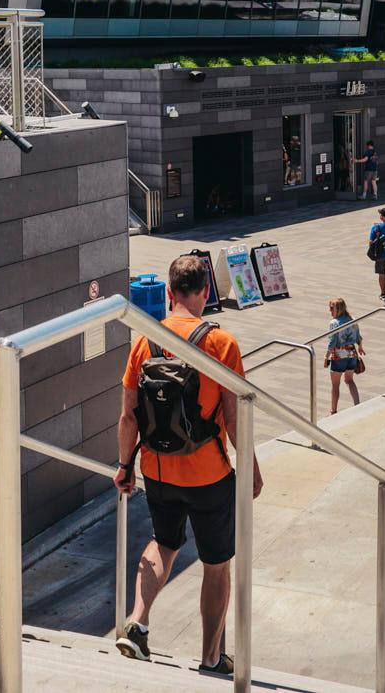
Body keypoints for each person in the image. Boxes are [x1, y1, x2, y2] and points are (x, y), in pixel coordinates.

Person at [115, 255, 263, 675]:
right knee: (216, 565)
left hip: (157, 468)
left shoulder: (144, 341)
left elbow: (128, 415)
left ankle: (138, 624)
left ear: (168, 292)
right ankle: (211, 658)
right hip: (209, 473)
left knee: (163, 543)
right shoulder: (223, 344)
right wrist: (250, 466)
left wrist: (125, 465)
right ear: (205, 293)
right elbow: (233, 418)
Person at [324, 297, 365, 413]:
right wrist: (360, 347)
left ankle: (333, 410)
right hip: (351, 354)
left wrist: (326, 356)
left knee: (335, 384)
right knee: (349, 380)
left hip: (338, 355)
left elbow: (332, 341)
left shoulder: (334, 323)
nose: (330, 311)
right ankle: (357, 405)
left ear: (338, 309)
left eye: (332, 308)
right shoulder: (352, 319)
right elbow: (358, 336)